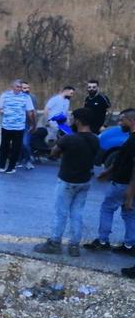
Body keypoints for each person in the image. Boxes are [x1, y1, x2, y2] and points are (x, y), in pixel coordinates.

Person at [32, 108, 100, 257]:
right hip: (85, 181)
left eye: (71, 118)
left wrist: (61, 142)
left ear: (78, 121)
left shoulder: (69, 139)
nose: (69, 121)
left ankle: (55, 243)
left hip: (67, 181)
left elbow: (53, 153)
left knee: (60, 213)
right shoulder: (96, 138)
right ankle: (74, 246)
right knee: (77, 214)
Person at [83, 108, 135, 254]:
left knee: (107, 208)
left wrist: (130, 191)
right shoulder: (130, 138)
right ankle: (130, 245)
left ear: (131, 121)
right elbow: (122, 159)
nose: (120, 123)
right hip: (126, 182)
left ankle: (103, 241)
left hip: (122, 183)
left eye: (122, 120)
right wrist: (108, 171)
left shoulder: (133, 140)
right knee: (129, 212)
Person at [0, 79, 34, 174]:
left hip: (19, 127)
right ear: (12, 87)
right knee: (4, 147)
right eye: (17, 87)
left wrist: (33, 124)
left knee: (16, 148)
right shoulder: (5, 96)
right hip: (6, 126)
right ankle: (1, 166)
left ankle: (12, 167)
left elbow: (30, 112)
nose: (19, 89)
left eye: (21, 87)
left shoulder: (26, 97)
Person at [17, 82, 38, 170]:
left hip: (27, 124)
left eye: (28, 88)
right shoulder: (14, 98)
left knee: (25, 143)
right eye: (25, 88)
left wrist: (33, 125)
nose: (27, 90)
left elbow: (33, 112)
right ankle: (19, 160)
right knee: (18, 144)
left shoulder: (32, 97)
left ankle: (28, 160)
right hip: (16, 124)